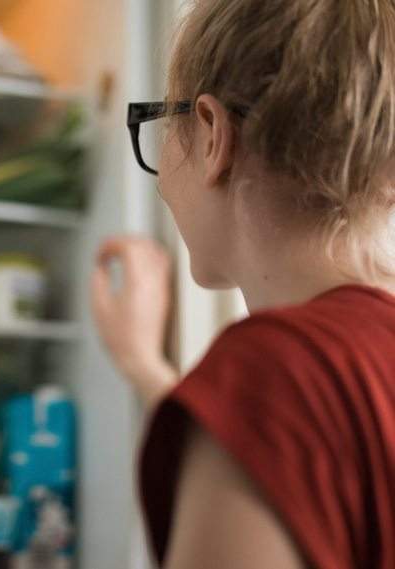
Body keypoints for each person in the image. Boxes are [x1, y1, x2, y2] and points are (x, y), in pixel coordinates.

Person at [91, 1, 395, 568]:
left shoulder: (271, 373)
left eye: (161, 122)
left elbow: (282, 423)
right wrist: (148, 370)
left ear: (211, 135)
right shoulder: (314, 377)